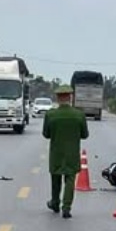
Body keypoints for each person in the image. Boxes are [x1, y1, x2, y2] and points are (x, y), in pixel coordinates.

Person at [42, 84, 88, 218]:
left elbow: (46, 134)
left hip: (56, 153)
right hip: (72, 154)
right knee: (70, 180)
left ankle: (55, 203)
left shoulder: (51, 115)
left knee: (55, 179)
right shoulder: (79, 115)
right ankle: (66, 207)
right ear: (70, 97)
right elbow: (85, 135)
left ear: (57, 98)